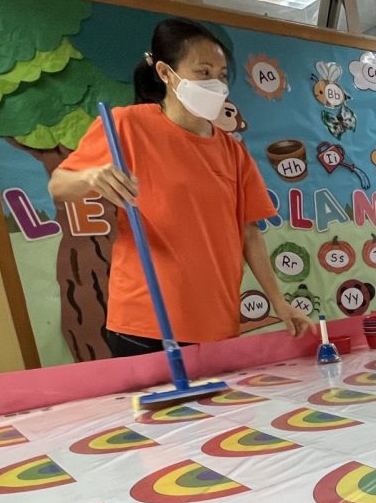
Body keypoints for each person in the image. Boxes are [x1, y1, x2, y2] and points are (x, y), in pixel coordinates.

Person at [51, 19, 312, 357]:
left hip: (216, 320)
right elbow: (59, 185)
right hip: (147, 321)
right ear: (165, 72)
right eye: (203, 72)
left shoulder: (232, 151)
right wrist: (90, 178)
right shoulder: (127, 125)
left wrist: (279, 301)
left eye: (220, 74)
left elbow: (250, 233)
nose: (215, 83)